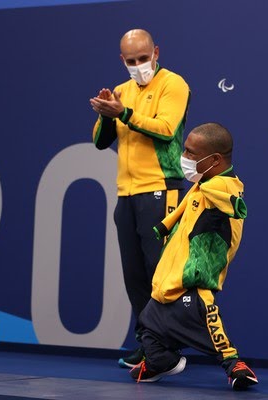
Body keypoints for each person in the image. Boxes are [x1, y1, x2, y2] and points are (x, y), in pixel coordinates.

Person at [129, 123, 259, 391]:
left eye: (190, 153)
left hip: (194, 282)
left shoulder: (224, 187)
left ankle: (236, 367)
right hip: (167, 283)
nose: (184, 157)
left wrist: (230, 202)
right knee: (148, 326)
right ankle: (160, 362)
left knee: (213, 333)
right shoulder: (201, 186)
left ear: (214, 160)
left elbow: (234, 202)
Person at [89, 29, 190, 368]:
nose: (138, 65)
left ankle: (169, 346)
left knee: (160, 274)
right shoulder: (120, 92)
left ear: (156, 52)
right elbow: (100, 142)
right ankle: (149, 343)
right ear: (122, 60)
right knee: (134, 276)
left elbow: (166, 128)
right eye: (131, 61)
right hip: (127, 194)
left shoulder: (173, 84)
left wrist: (124, 114)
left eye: (143, 58)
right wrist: (107, 114)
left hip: (162, 189)